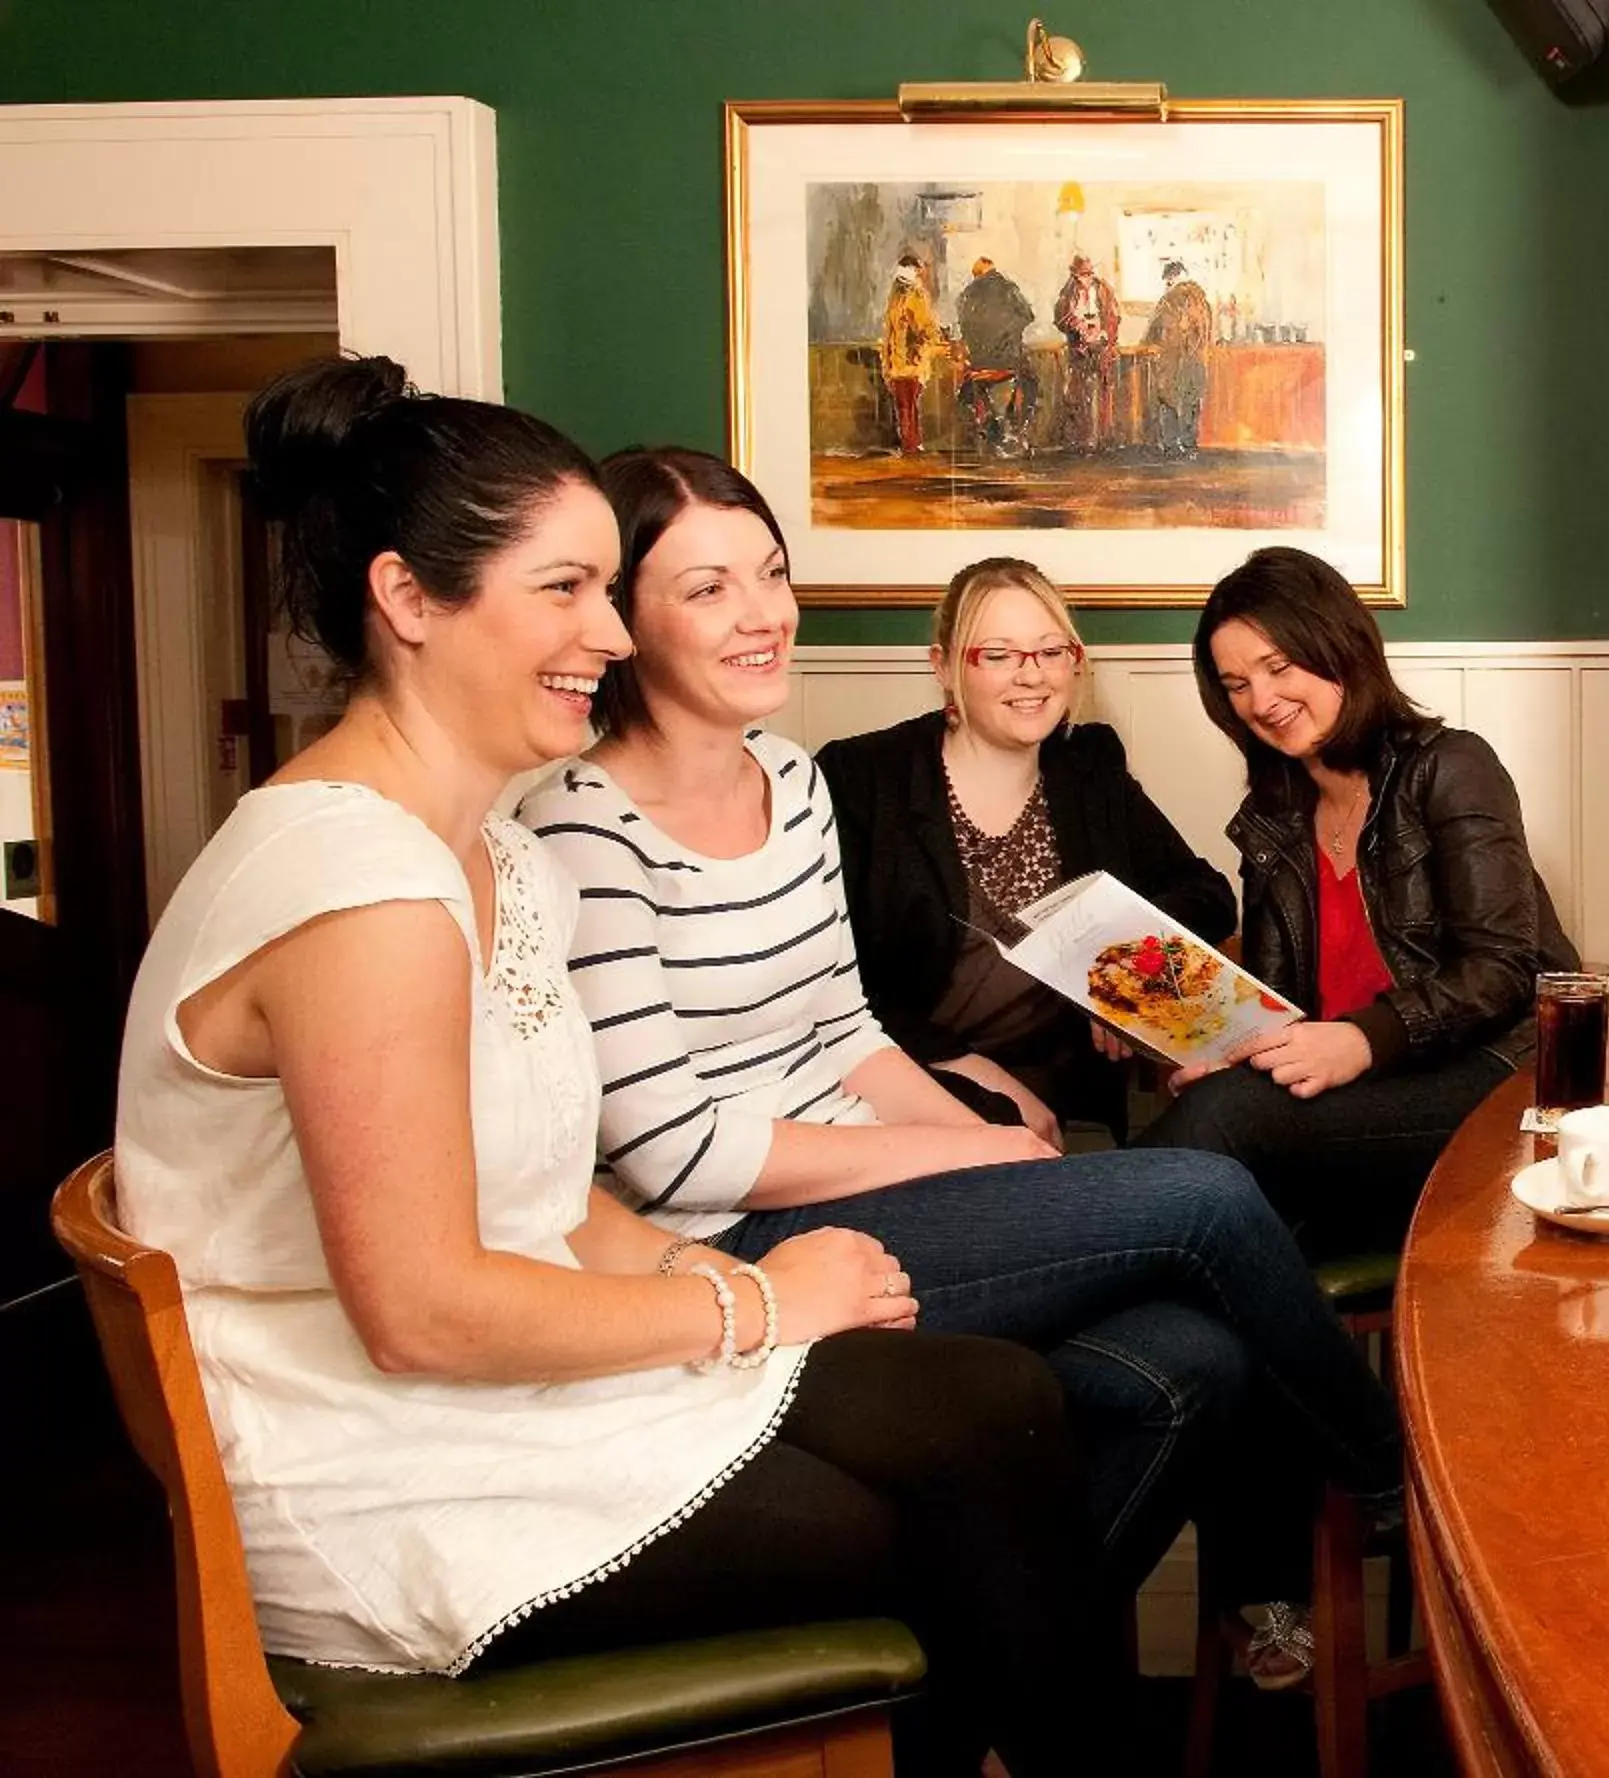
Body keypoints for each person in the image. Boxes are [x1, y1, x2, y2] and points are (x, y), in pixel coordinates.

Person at [116, 355, 1108, 1778]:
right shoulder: (356, 891)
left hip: (512, 1381)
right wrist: (760, 1300)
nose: (608, 629)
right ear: (409, 600)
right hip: (390, 1467)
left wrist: (709, 1282)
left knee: (995, 1402)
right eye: (566, 589)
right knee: (942, 1523)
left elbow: (552, 1194)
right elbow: (423, 1314)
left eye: (607, 587)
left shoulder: (500, 860)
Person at [516, 448, 1400, 1685]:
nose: (763, 609)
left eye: (771, 574)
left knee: (1195, 1363)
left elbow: (842, 1029)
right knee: (1203, 1192)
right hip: (739, 1240)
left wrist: (1077, 1055)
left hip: (900, 1163)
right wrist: (975, 1136)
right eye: (708, 587)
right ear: (621, 614)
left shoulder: (786, 780)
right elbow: (676, 1150)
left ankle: (954, 1683)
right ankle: (1394, 1471)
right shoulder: (587, 822)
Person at [1137, 545, 1578, 1255]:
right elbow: (1282, 1004)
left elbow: (1503, 970)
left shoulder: (1450, 766)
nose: (1261, 700)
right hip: (1361, 1095)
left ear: (1339, 646)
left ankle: (1059, 1233)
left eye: (1279, 666)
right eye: (1236, 684)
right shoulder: (1276, 815)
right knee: (1217, 1190)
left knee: (1225, 1125)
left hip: (1500, 1074)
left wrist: (1366, 1038)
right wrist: (1234, 1049)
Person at [818, 555, 1233, 1142]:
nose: (1032, 676)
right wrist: (970, 1071)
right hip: (909, 1079)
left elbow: (1209, 895)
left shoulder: (1088, 764)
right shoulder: (862, 777)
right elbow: (829, 976)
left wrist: (1114, 974)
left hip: (1066, 1093)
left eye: (1049, 651)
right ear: (943, 665)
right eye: (999, 654)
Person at [953, 255, 1035, 457]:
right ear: (993, 269)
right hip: (1008, 360)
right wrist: (1009, 334)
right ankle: (1014, 429)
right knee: (1031, 382)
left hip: (979, 363)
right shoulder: (1008, 289)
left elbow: (964, 325)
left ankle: (992, 428)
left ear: (976, 274)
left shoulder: (967, 294)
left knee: (971, 390)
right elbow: (1028, 316)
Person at [1144, 259, 1214, 455]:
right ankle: (1189, 444)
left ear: (1172, 278)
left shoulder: (1168, 301)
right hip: (1196, 359)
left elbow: (1154, 330)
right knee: (1191, 400)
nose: (1167, 285)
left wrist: (1148, 345)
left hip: (1172, 359)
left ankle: (1172, 444)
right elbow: (1207, 332)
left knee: (1169, 400)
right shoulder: (1202, 301)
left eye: (1168, 281)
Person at [1053, 254, 1119, 453]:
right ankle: (1083, 441)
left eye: (1090, 273)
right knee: (1080, 394)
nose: (1087, 278)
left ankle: (1103, 439)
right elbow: (1060, 319)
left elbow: (1114, 316)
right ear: (1074, 274)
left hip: (1101, 346)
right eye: (1083, 274)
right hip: (1079, 348)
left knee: (1103, 394)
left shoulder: (1104, 290)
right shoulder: (1068, 292)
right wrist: (1076, 326)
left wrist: (1104, 333)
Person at [879, 254, 941, 456]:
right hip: (902, 363)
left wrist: (917, 349)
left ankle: (911, 444)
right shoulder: (908, 295)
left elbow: (925, 329)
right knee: (906, 405)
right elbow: (925, 329)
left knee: (907, 405)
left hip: (908, 362)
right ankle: (911, 444)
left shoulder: (906, 296)